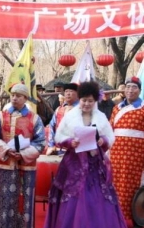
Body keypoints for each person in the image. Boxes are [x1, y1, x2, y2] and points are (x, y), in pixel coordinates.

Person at [44, 81, 127, 228]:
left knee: (97, 196)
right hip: (74, 163)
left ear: (95, 101)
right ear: (79, 100)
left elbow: (110, 138)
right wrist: (70, 142)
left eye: (90, 100)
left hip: (95, 164)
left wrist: (103, 141)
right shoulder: (70, 116)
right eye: (84, 100)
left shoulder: (101, 117)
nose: (86, 104)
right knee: (74, 196)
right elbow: (59, 137)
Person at [0, 83, 46, 228]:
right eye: (12, 95)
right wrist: (6, 149)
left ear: (25, 98)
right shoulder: (1, 116)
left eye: (18, 96)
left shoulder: (34, 119)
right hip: (4, 165)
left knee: (24, 203)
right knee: (4, 201)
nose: (14, 98)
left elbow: (41, 142)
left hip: (26, 167)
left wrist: (24, 154)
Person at [109, 76, 144, 226]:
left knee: (133, 186)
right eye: (128, 87)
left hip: (136, 155)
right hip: (116, 153)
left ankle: (136, 216)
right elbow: (110, 129)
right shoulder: (116, 108)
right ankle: (114, 216)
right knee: (114, 183)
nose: (130, 90)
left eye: (134, 87)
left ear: (140, 90)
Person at [46, 83, 79, 155]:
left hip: (76, 151)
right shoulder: (59, 109)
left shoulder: (81, 110)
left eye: (71, 91)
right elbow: (52, 127)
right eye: (66, 91)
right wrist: (51, 145)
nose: (68, 94)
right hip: (58, 150)